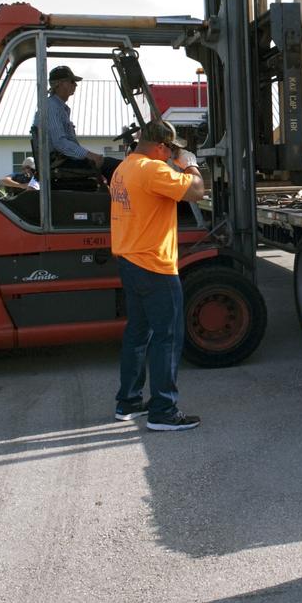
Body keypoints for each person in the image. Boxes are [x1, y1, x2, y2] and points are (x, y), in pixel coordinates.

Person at [109, 120, 206, 431]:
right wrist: (190, 164)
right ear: (161, 146)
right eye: (170, 150)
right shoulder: (153, 170)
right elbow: (197, 192)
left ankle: (129, 402)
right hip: (155, 265)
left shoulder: (123, 168)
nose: (170, 156)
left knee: (138, 333)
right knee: (167, 338)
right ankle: (163, 410)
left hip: (129, 260)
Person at [36, 65, 120, 185]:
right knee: (117, 166)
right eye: (72, 81)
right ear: (59, 84)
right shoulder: (52, 108)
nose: (75, 85)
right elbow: (60, 143)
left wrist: (88, 155)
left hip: (62, 160)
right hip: (59, 163)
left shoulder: (59, 108)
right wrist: (89, 155)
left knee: (109, 163)